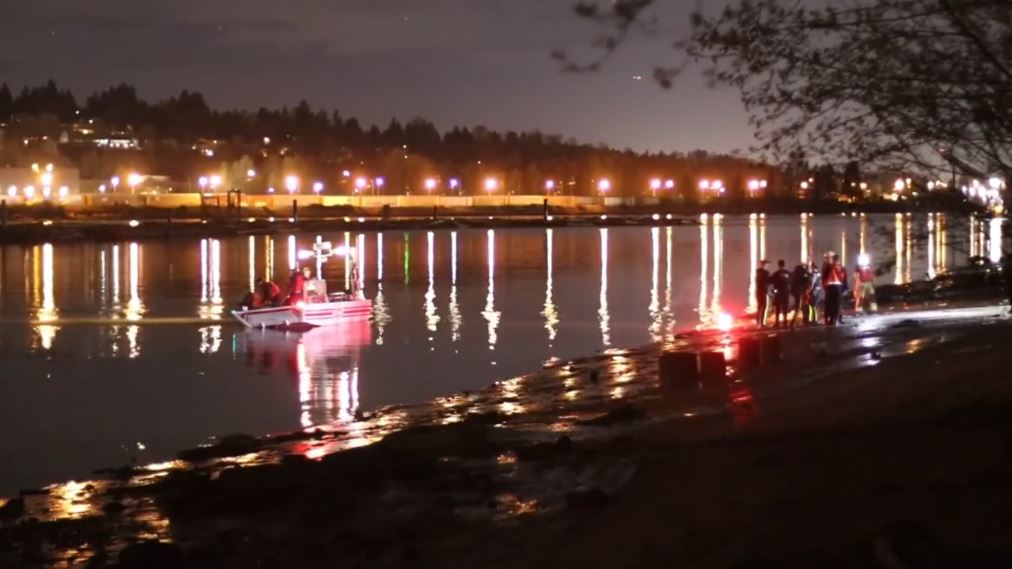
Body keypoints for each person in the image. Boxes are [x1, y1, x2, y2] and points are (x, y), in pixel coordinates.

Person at [822, 254, 847, 325]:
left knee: (829, 304)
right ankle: (835, 318)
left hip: (830, 286)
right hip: (838, 286)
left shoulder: (828, 266)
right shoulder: (840, 267)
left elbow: (824, 277)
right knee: (837, 304)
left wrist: (824, 287)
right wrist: (845, 288)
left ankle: (829, 319)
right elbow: (844, 277)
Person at [771, 259, 792, 328]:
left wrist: (773, 290)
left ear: (778, 265)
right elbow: (792, 281)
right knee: (785, 308)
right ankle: (785, 323)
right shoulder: (788, 273)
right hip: (786, 293)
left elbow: (770, 281)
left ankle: (777, 323)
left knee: (778, 308)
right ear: (784, 265)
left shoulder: (776, 273)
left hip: (778, 293)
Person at [790, 262, 812, 327]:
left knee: (798, 307)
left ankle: (793, 322)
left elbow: (792, 284)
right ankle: (805, 321)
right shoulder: (803, 273)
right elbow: (807, 281)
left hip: (797, 292)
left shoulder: (793, 275)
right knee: (804, 307)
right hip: (802, 292)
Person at [754, 260, 771, 327]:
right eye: (767, 264)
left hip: (758, 291)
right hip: (763, 291)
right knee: (763, 306)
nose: (768, 266)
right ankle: (762, 323)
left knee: (759, 307)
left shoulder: (758, 272)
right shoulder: (765, 272)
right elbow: (768, 281)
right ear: (764, 265)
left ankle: (758, 322)